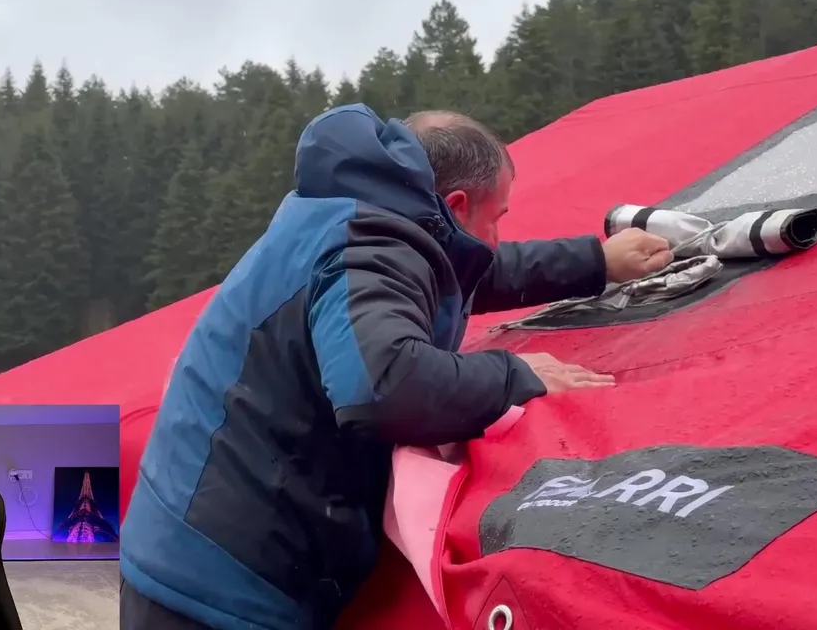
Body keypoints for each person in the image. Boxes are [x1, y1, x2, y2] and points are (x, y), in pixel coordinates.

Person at [119, 104, 674, 630]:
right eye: (497, 217)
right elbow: (381, 385)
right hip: (218, 588)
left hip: (189, 540)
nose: (497, 236)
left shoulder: (364, 207)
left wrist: (596, 261)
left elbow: (459, 270)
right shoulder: (369, 247)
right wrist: (513, 377)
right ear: (456, 204)